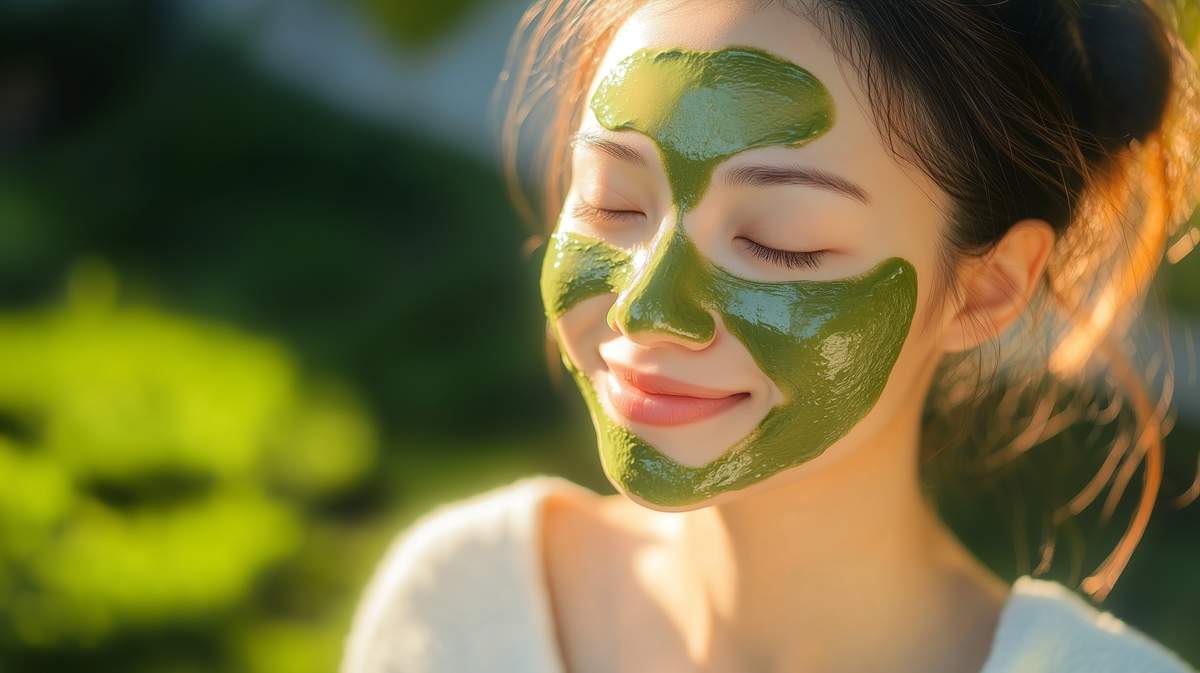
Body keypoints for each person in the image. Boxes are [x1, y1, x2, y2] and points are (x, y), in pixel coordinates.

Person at [341, 1, 1200, 671]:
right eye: (612, 200)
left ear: (988, 286)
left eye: (781, 238)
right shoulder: (460, 605)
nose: (646, 306)